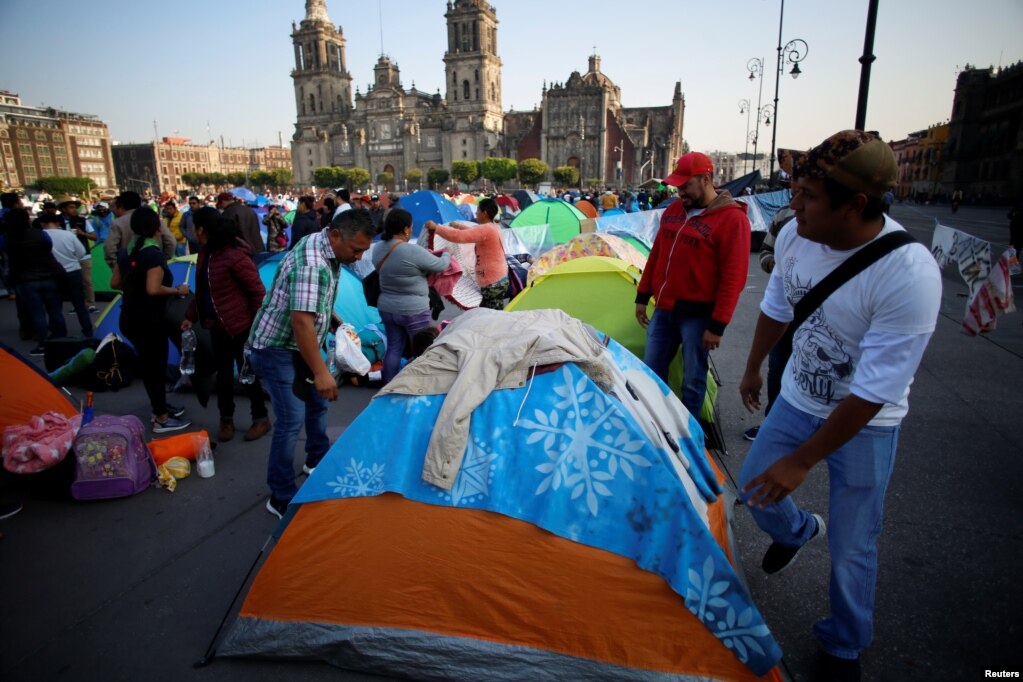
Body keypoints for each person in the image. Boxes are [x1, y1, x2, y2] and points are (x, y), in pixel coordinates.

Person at [737, 130, 941, 681]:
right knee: (755, 489)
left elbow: (874, 391)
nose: (793, 206)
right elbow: (777, 306)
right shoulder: (796, 237)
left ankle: (845, 645)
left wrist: (803, 460)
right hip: (798, 398)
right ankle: (798, 531)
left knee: (854, 544)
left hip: (869, 423)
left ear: (854, 206)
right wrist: (754, 365)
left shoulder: (910, 274)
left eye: (807, 196)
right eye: (794, 190)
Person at [247, 209, 375, 518]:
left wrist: (337, 324)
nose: (358, 258)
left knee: (317, 403)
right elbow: (301, 321)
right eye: (355, 249)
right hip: (276, 347)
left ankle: (316, 459)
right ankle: (280, 496)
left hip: (299, 345)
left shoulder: (321, 245)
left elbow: (316, 305)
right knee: (291, 418)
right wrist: (321, 372)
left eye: (363, 250)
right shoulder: (313, 264)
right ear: (335, 236)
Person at [634, 151, 751, 420]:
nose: (680, 191)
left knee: (693, 379)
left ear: (706, 179)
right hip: (664, 309)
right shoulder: (674, 210)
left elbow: (734, 277)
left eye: (685, 185)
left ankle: (688, 433)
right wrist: (643, 295)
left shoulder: (732, 220)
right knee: (651, 372)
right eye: (677, 186)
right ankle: (656, 425)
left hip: (698, 317)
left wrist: (717, 325)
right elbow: (657, 254)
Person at [183, 208, 270, 443]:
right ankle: (226, 419)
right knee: (223, 375)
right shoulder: (205, 253)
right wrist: (191, 314)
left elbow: (258, 292)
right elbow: (202, 289)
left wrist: (256, 326)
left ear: (202, 229)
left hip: (241, 326)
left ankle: (260, 417)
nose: (193, 231)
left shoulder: (234, 255)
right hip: (216, 325)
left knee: (247, 374)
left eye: (195, 226)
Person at [110, 207, 192, 433]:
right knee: (154, 368)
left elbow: (114, 283)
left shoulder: (126, 252)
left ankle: (161, 405)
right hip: (148, 320)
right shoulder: (152, 255)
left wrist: (133, 287)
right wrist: (178, 290)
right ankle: (161, 418)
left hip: (129, 316)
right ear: (157, 228)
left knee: (151, 365)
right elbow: (153, 288)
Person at [373, 208, 451, 383]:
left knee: (393, 348)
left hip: (387, 307)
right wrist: (447, 253)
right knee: (423, 349)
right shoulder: (410, 251)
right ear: (406, 229)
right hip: (413, 310)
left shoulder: (378, 248)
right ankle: (419, 385)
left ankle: (389, 385)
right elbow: (440, 265)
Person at [745, 203, 797, 442]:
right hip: (787, 318)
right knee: (778, 367)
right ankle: (772, 424)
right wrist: (776, 266)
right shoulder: (785, 217)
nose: (796, 204)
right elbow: (766, 251)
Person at [425, 198, 508, 310]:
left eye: (478, 211)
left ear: (485, 213)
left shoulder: (486, 229)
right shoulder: (494, 227)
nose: (476, 213)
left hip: (493, 282)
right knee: (493, 311)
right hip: (499, 278)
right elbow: (475, 233)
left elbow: (459, 237)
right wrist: (459, 226)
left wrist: (437, 228)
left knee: (490, 315)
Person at [5, 208, 67, 355]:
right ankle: (63, 340)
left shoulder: (8, 238)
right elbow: (49, 247)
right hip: (48, 276)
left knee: (37, 313)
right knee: (55, 310)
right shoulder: (40, 234)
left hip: (25, 280)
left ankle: (43, 345)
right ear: (28, 219)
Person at [40, 212, 92, 337]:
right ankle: (87, 330)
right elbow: (81, 252)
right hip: (73, 271)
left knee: (54, 306)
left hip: (53, 274)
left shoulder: (41, 236)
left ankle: (60, 333)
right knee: (79, 303)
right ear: (58, 223)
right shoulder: (68, 234)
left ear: (42, 223)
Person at [104, 191, 175, 267]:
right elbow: (170, 241)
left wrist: (119, 267)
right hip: (155, 264)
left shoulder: (117, 223)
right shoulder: (151, 218)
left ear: (121, 205)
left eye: (114, 206)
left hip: (130, 270)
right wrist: (164, 259)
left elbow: (109, 250)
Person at [57, 197, 97, 311]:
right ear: (64, 209)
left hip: (83, 254)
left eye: (75, 207)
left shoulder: (82, 221)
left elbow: (94, 236)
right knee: (72, 282)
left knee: (86, 280)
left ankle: (90, 304)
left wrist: (82, 233)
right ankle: (77, 304)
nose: (74, 210)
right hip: (66, 255)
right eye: (71, 207)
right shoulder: (57, 221)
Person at [217, 192, 265, 258]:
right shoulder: (249, 210)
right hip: (257, 248)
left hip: (241, 252)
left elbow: (227, 235)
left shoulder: (228, 213)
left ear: (223, 202)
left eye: (220, 204)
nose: (221, 207)